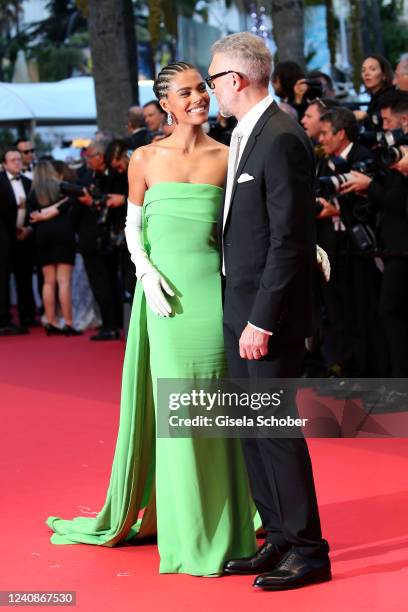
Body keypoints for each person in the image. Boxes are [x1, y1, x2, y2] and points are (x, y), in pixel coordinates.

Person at [46, 61, 258, 576]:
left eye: (202, 89)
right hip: (164, 300)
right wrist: (143, 272)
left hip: (214, 297)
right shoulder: (143, 157)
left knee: (215, 406)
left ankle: (228, 522)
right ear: (165, 103)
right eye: (186, 93)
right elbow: (132, 226)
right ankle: (186, 530)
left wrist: (302, 251)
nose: (198, 99)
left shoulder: (228, 158)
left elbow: (249, 226)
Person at [207, 32, 331, 590]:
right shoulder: (244, 135)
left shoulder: (280, 137)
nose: (210, 89)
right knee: (251, 429)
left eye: (213, 79)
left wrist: (261, 319)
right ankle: (279, 537)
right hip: (239, 306)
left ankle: (309, 550)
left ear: (235, 80)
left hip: (266, 314)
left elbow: (288, 240)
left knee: (275, 429)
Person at [29, 160, 81, 336]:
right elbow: (76, 197)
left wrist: (44, 216)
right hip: (63, 232)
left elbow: (32, 216)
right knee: (64, 281)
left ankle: (50, 321)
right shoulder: (62, 187)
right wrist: (57, 209)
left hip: (43, 235)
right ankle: (68, 322)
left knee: (48, 281)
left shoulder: (33, 192)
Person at [0, 147, 36, 334]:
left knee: (25, 275)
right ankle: (4, 318)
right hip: (4, 237)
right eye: (12, 160)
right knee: (3, 277)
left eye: (18, 159)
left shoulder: (28, 182)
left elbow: (34, 208)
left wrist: (28, 229)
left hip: (23, 236)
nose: (16, 162)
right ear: (4, 164)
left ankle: (27, 314)